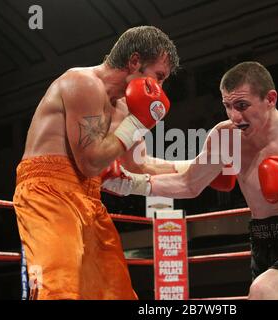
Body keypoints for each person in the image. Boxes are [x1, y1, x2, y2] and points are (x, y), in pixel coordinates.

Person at [114, 61, 278, 299]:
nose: (235, 117)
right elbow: (189, 184)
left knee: (264, 293)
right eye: (228, 106)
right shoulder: (224, 137)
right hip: (263, 240)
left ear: (270, 99)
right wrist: (129, 183)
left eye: (242, 106)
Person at [12, 26, 180, 300]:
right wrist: (138, 123)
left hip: (89, 197)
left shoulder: (124, 107)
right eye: (158, 76)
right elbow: (91, 163)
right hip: (48, 192)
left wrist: (202, 165)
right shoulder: (83, 83)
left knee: (115, 293)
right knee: (60, 289)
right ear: (135, 61)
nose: (159, 88)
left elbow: (139, 165)